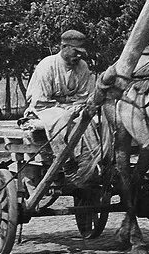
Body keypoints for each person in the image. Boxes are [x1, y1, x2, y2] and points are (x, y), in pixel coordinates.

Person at [23, 30, 100, 181]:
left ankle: (92, 159)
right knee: (63, 118)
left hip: (74, 108)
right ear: (64, 47)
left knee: (88, 119)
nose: (78, 56)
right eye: (75, 51)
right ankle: (66, 160)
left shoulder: (82, 66)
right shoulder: (47, 65)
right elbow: (41, 100)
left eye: (81, 52)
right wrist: (67, 105)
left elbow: (85, 95)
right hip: (44, 109)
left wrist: (76, 106)